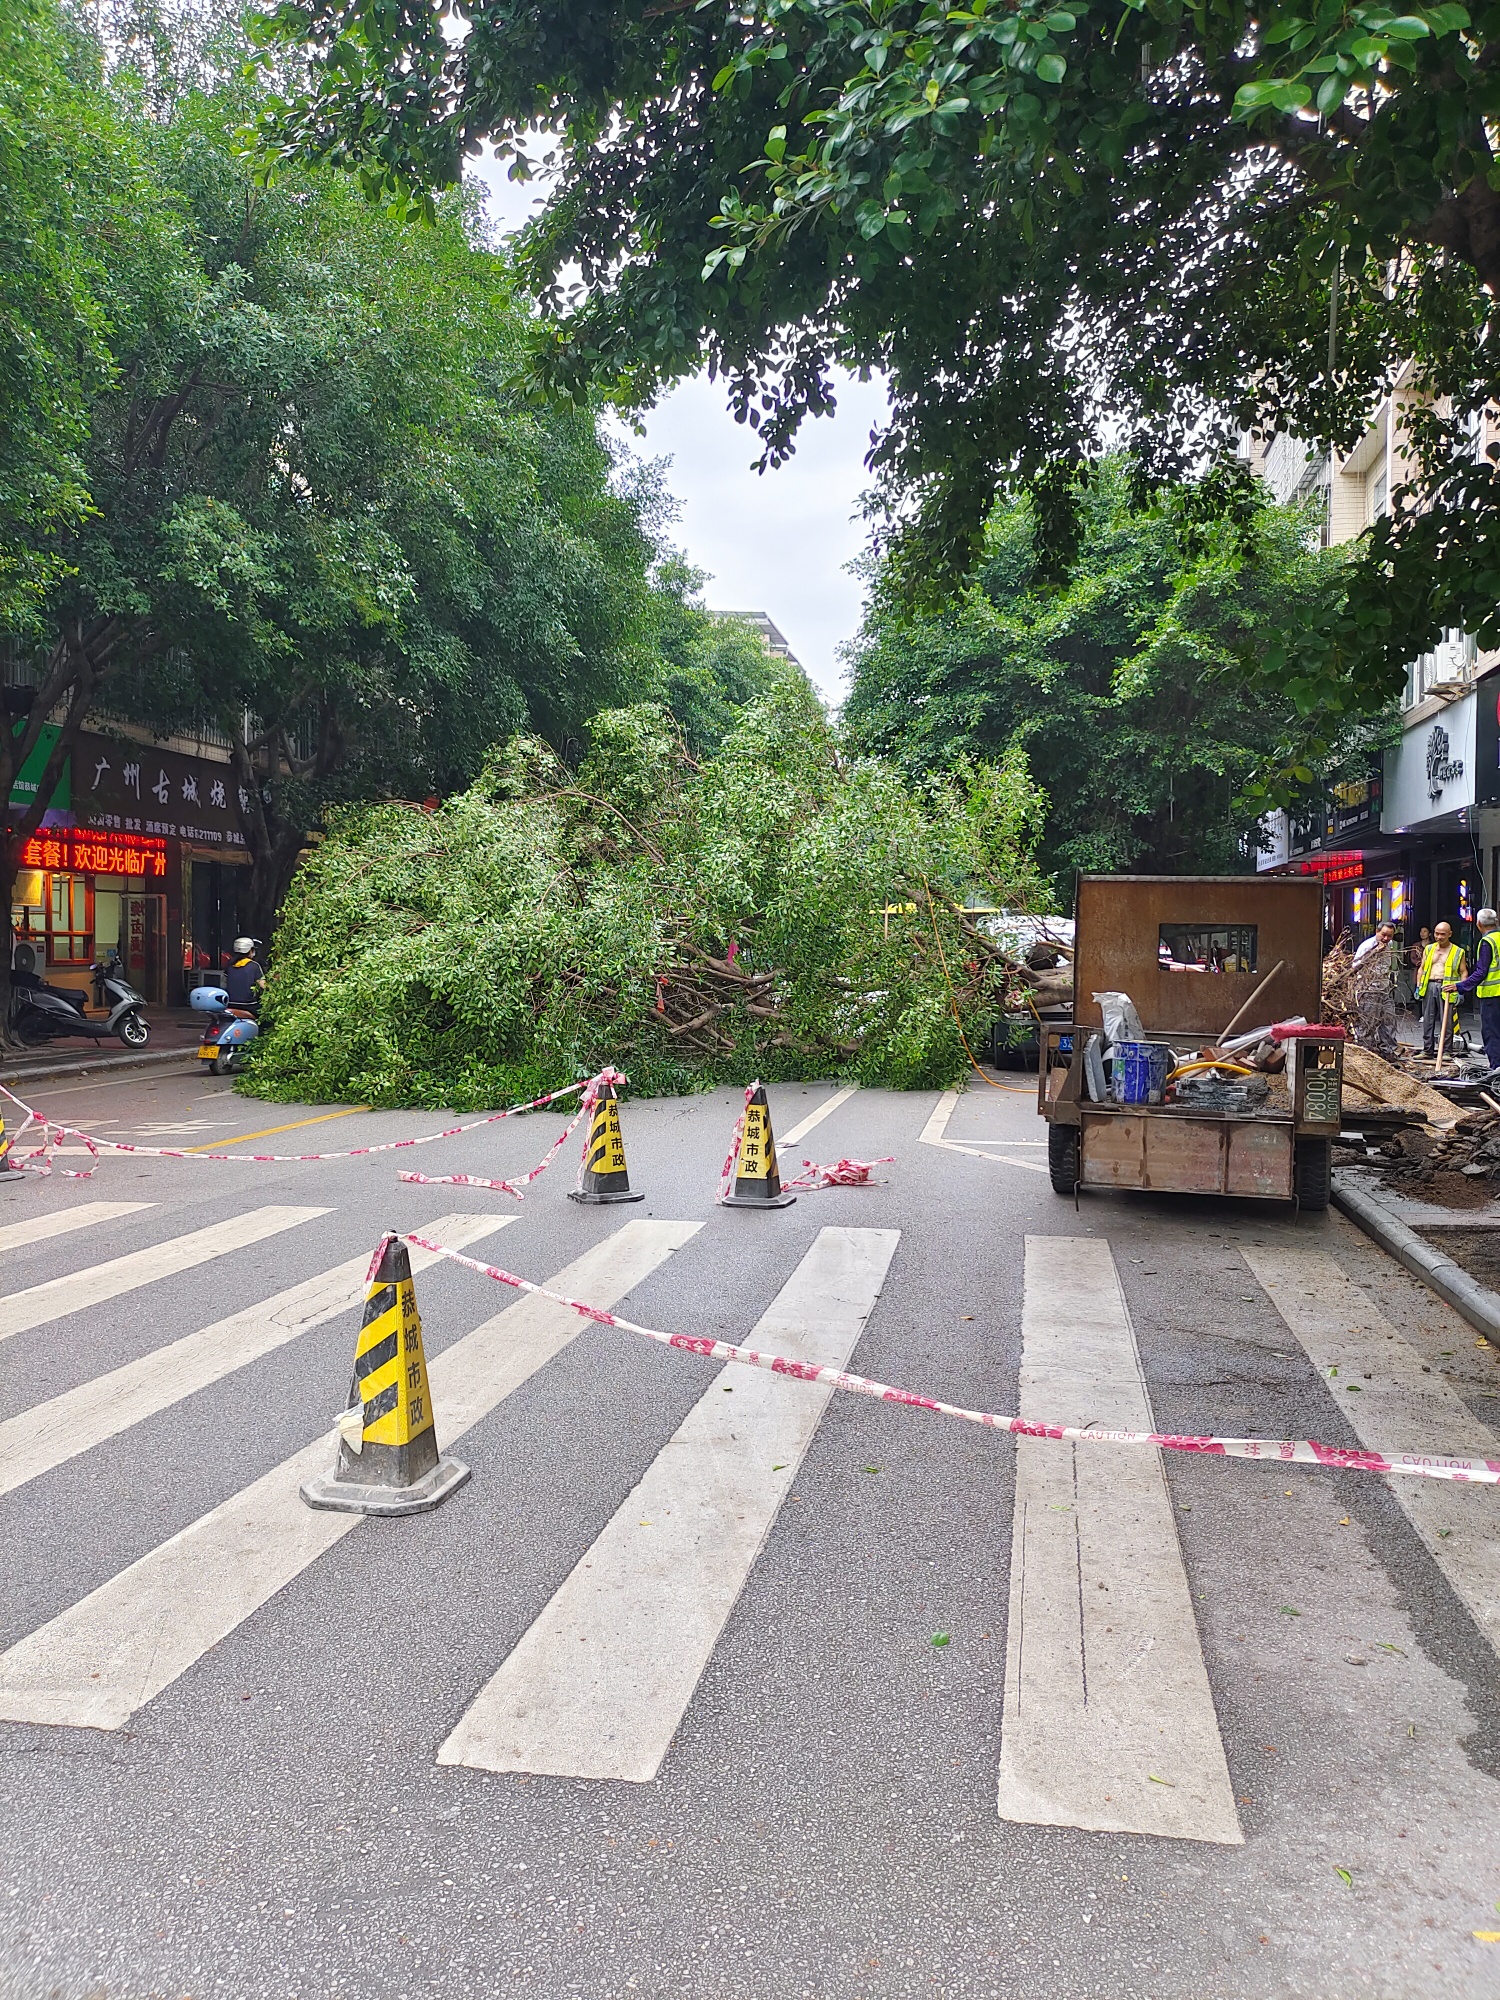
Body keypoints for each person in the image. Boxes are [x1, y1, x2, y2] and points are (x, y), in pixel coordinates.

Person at [1455, 908, 1500, 1072]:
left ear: (1478, 924)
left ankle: (1496, 1069)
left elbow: (1481, 971)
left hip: (1492, 995)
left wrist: (1460, 986)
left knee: (1492, 1033)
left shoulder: (1487, 942)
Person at [1414, 920, 1467, 1057]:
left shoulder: (1458, 951)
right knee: (1427, 1020)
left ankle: (1447, 1051)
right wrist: (1418, 986)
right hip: (1429, 986)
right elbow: (1422, 968)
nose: (1439, 937)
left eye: (1442, 934)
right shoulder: (1429, 949)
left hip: (1448, 988)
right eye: (1437, 934)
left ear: (1450, 934)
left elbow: (1463, 972)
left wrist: (1461, 990)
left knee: (1447, 1021)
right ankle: (1427, 1050)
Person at [1351, 922, 1400, 1057]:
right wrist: (1374, 953)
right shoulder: (1367, 946)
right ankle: (1366, 1052)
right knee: (1368, 1021)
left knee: (1389, 1019)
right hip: (1369, 989)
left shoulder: (1389, 945)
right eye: (1383, 935)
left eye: (1389, 936)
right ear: (1377, 932)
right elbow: (1355, 967)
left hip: (1384, 988)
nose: (1385, 938)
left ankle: (1388, 1051)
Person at [223, 936, 264, 1010]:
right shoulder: (254, 966)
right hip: (248, 1005)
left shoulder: (230, 964)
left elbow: (225, 982)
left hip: (230, 1003)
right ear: (250, 951)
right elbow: (263, 986)